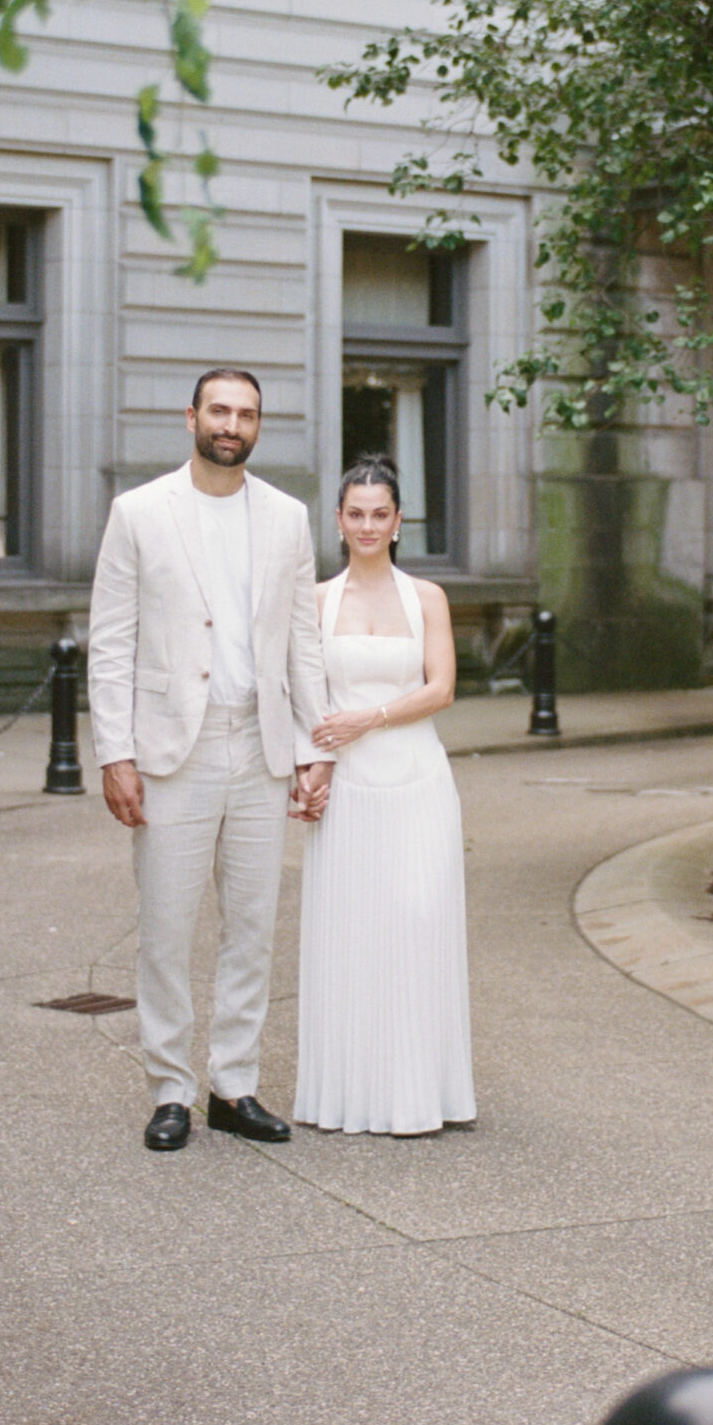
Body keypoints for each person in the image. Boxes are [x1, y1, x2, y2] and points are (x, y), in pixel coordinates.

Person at [88, 368, 334, 1152]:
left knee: (252, 928)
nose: (233, 424)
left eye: (248, 414)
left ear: (260, 427)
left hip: (257, 744)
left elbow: (302, 642)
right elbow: (111, 642)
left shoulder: (289, 518)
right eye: (220, 410)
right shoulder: (139, 513)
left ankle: (234, 1085)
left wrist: (310, 747)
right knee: (165, 927)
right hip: (172, 750)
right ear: (191, 415)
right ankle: (170, 1089)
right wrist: (115, 752)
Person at [294, 455, 475, 1136]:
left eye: (380, 514)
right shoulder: (316, 600)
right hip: (349, 791)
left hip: (417, 781)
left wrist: (367, 718)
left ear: (399, 522)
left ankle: (421, 1095)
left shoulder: (426, 597)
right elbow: (307, 700)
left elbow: (441, 688)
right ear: (339, 522)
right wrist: (311, 768)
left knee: (416, 922)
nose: (368, 525)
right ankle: (349, 1093)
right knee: (351, 935)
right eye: (356, 513)